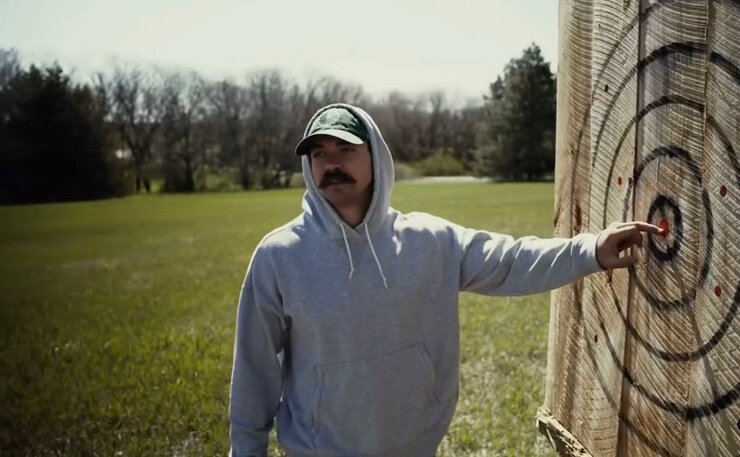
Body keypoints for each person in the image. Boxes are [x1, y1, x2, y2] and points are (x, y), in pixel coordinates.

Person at [228, 103, 662, 457]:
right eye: (319, 154)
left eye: (344, 148)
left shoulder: (431, 241)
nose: (331, 163)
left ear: (376, 156)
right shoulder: (278, 256)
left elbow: (510, 260)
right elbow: (254, 368)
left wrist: (590, 250)